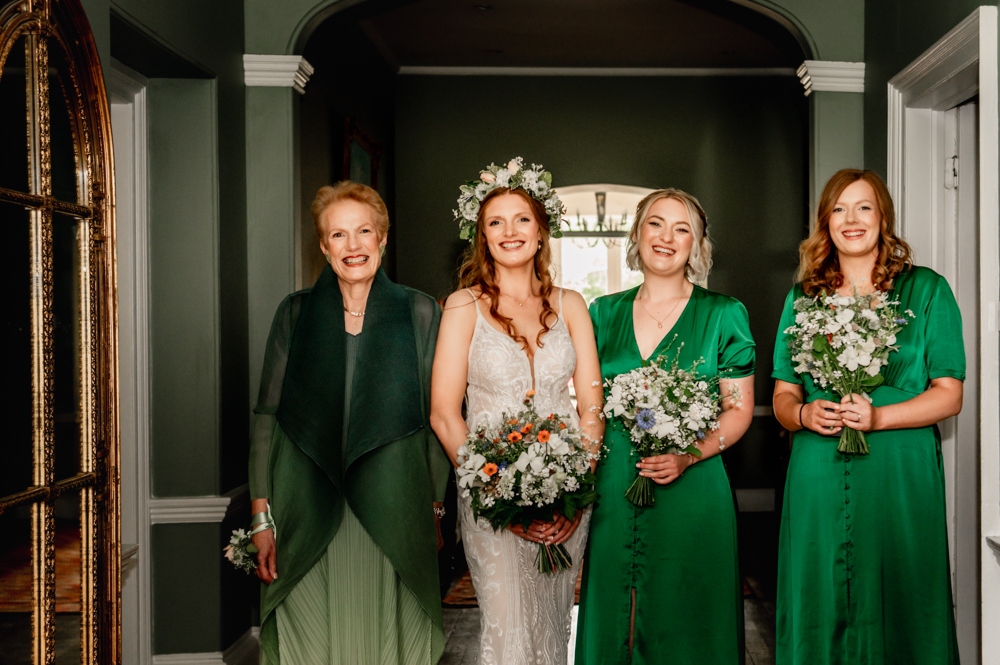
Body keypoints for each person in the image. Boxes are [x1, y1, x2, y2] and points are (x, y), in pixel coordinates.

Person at [248, 181, 450, 665]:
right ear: (323, 246)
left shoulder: (420, 311)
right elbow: (266, 420)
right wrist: (261, 517)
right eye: (338, 235)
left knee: (386, 640)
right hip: (306, 503)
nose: (353, 246)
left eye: (364, 232)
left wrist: (437, 509)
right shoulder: (295, 314)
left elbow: (437, 420)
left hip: (394, 505)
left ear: (382, 237)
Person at [772, 169, 964, 664]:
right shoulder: (801, 299)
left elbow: (949, 396)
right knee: (819, 592)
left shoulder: (928, 292)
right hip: (817, 468)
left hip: (900, 470)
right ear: (825, 222)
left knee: (905, 590)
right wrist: (803, 413)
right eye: (839, 209)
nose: (851, 219)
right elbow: (782, 396)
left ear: (883, 218)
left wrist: (880, 418)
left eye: (863, 207)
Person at [429, 158, 604, 665]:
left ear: (541, 230)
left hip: (568, 496)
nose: (510, 232)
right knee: (509, 637)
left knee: (551, 631)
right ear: (482, 237)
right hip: (491, 498)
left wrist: (575, 488)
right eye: (495, 222)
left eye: (522, 219)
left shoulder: (572, 305)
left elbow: (592, 406)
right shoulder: (463, 306)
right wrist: (497, 491)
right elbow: (444, 413)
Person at [575, 188, 756, 665]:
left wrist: (689, 454)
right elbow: (586, 405)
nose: (667, 237)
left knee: (692, 609)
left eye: (682, 229)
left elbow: (737, 411)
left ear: (696, 245)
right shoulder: (601, 313)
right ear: (637, 233)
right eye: (656, 223)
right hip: (615, 483)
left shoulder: (724, 314)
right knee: (617, 605)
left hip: (695, 486)